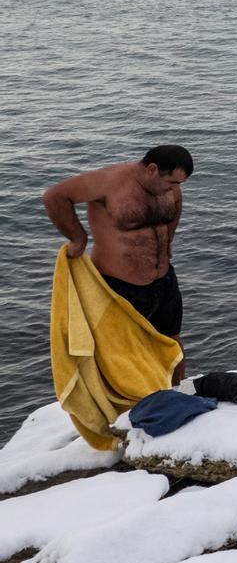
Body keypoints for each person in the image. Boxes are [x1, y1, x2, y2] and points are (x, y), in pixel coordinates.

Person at [43, 145, 194, 384]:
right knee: (121, 352)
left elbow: (172, 213)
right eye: (172, 183)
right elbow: (54, 196)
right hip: (120, 286)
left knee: (171, 341)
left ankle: (176, 396)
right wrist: (77, 238)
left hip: (164, 281)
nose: (175, 190)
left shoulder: (169, 188)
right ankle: (127, 408)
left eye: (179, 185)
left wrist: (168, 243)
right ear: (152, 170)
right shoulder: (107, 182)